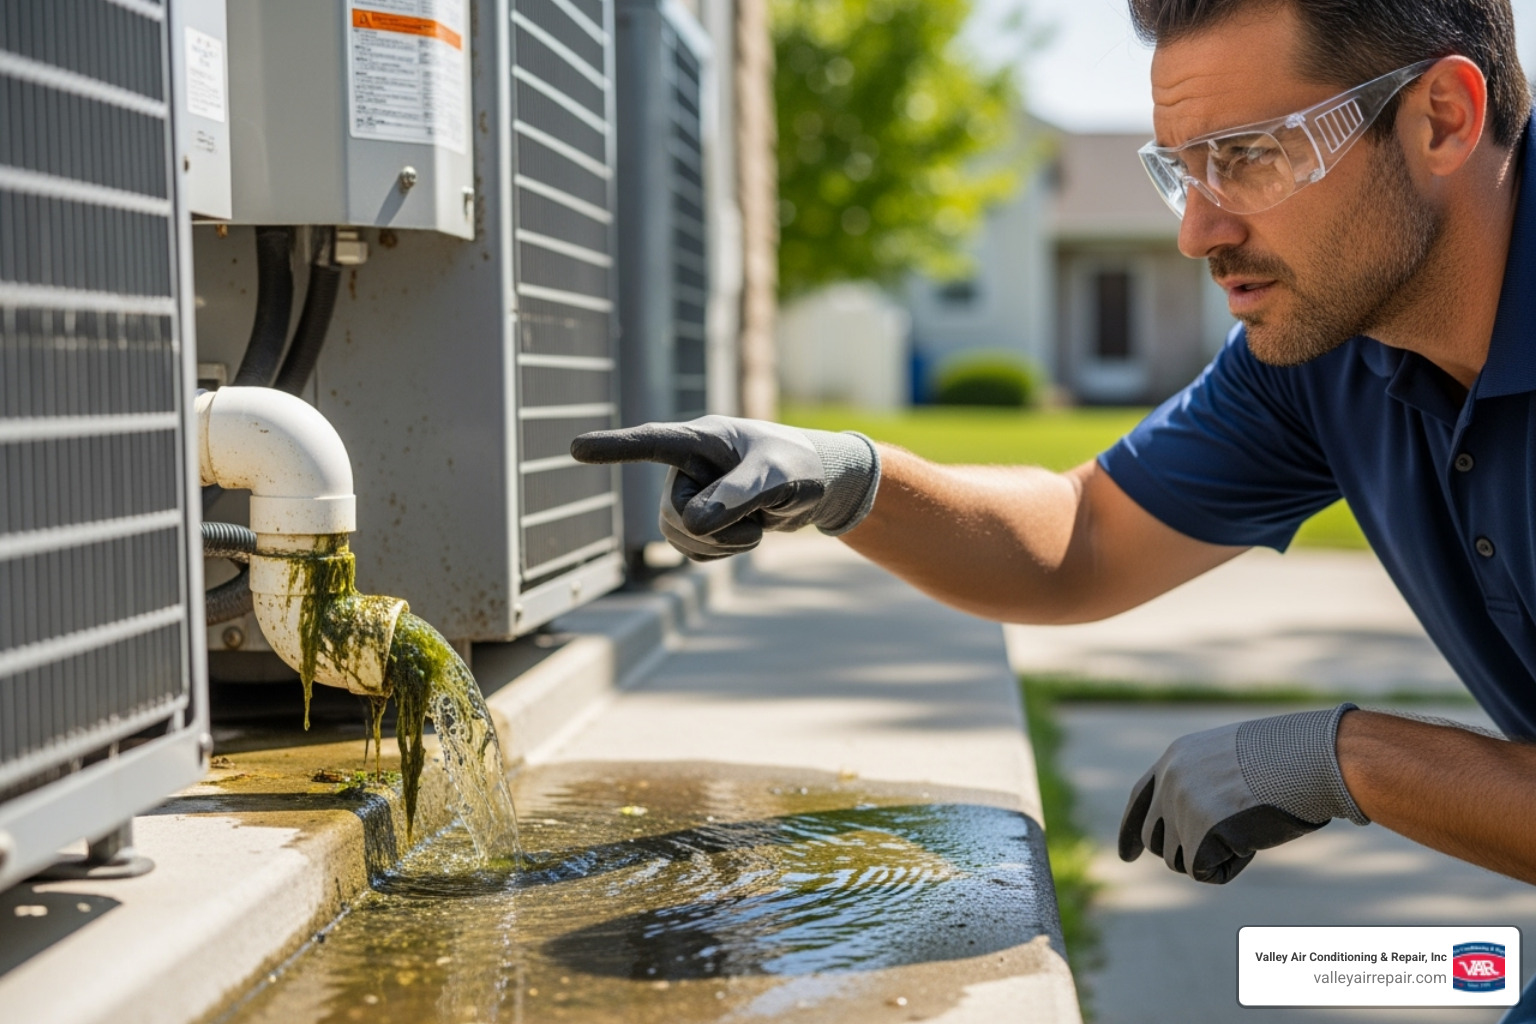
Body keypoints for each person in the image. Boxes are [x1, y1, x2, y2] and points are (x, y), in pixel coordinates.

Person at [576, 0, 1536, 1013]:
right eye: (1182, 169)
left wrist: (1349, 760)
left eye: (1250, 155)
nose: (1196, 230)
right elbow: (1081, 538)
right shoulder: (1326, 350)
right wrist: (848, 478)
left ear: (1440, 118)